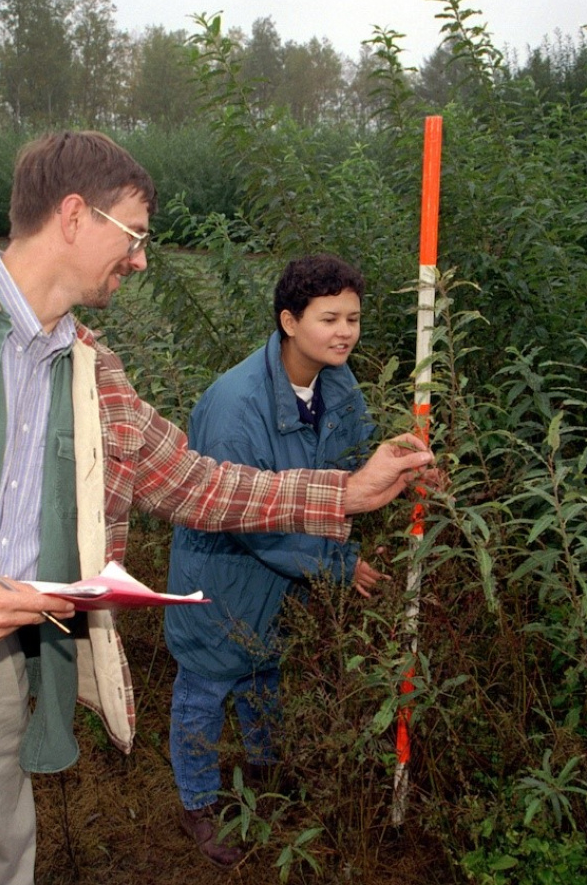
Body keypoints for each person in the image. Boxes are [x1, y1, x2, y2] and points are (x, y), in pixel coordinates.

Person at [0, 130, 434, 885]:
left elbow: (198, 481)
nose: (140, 259)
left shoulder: (92, 368)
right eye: (133, 236)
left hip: (3, 679)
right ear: (74, 216)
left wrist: (350, 491)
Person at [164, 253, 388, 867]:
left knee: (265, 678)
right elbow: (245, 519)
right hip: (221, 576)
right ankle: (200, 805)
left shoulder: (336, 381)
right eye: (329, 318)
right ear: (290, 322)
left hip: (284, 580)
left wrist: (407, 472)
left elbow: (358, 461)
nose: (345, 332)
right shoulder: (236, 407)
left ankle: (266, 779)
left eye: (354, 318)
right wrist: (341, 566)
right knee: (205, 691)